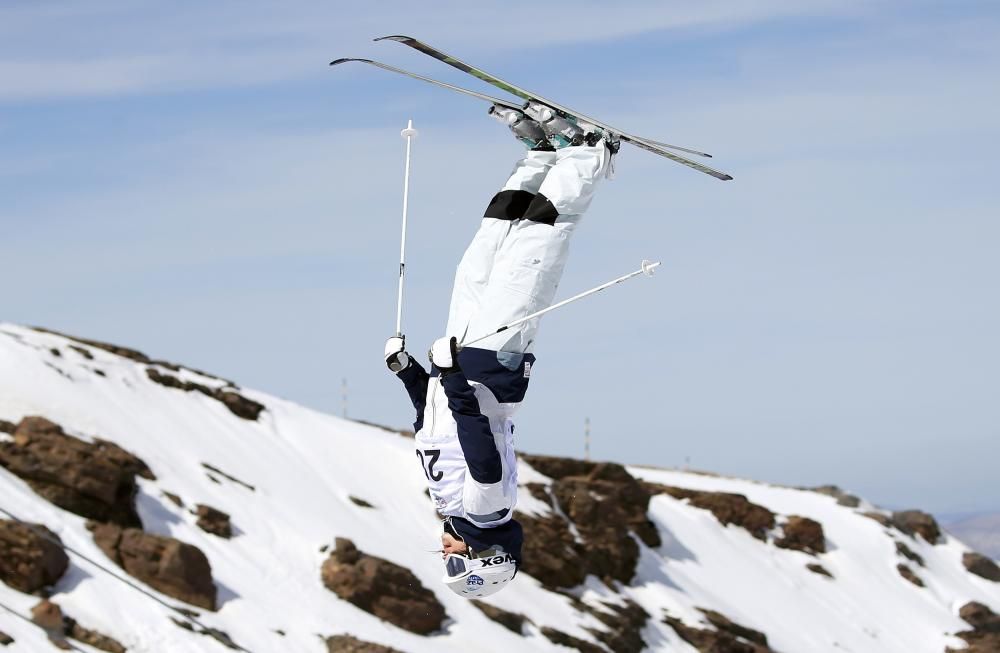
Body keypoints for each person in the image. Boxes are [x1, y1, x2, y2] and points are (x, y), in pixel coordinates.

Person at [384, 102, 617, 598]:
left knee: (485, 250)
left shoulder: (450, 504)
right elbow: (477, 443)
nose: (444, 554)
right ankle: (587, 153)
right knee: (531, 249)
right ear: (485, 558)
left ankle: (541, 154)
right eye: (456, 565)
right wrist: (448, 377)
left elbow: (436, 425)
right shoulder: (487, 509)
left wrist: (408, 374)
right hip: (490, 368)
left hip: (462, 364)